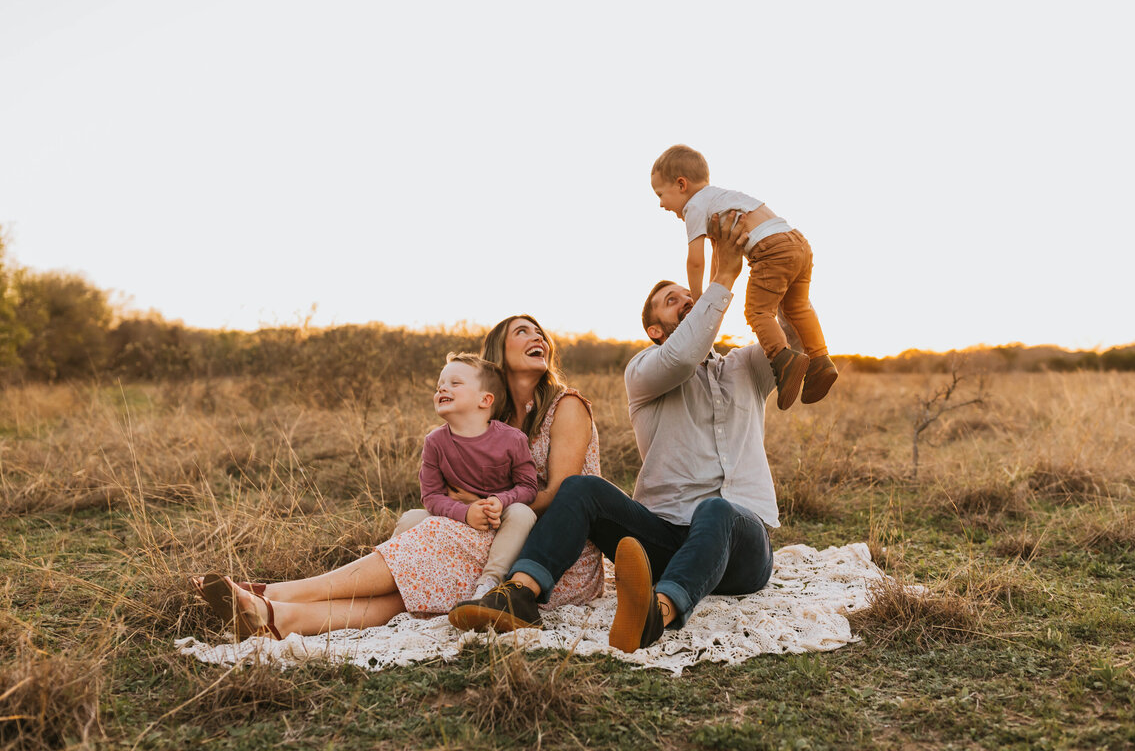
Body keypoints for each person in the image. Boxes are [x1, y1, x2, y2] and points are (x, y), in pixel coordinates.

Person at [448, 213, 799, 652]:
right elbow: (684, 354)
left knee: (717, 510)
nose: (689, 301)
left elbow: (795, 335)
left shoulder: (745, 366)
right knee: (581, 489)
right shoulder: (647, 370)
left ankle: (656, 614)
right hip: (665, 536)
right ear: (655, 330)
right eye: (674, 301)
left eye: (691, 296)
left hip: (740, 544)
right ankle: (518, 595)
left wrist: (774, 260)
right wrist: (722, 277)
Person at [191, 316, 604, 640]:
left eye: (540, 331)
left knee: (435, 540)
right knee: (408, 579)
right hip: (496, 531)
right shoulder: (493, 419)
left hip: (550, 556)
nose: (539, 336)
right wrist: (466, 507)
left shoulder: (565, 406)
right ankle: (276, 618)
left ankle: (275, 592)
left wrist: (479, 506)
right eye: (522, 330)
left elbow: (562, 494)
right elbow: (444, 491)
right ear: (499, 351)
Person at [650, 143, 837, 408]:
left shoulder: (694, 206)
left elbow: (696, 261)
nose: (660, 204)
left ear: (682, 184)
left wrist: (700, 301)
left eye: (660, 194)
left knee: (758, 312)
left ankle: (784, 360)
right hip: (798, 242)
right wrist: (715, 287)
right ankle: (821, 361)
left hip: (770, 250)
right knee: (797, 306)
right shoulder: (722, 198)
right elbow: (718, 257)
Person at [398, 352, 539, 600]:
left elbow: (528, 486)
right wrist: (464, 512)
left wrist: (501, 501)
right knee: (410, 518)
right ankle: (398, 577)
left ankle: (490, 582)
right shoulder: (435, 442)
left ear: (485, 400)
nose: (442, 388)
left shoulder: (512, 439)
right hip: (458, 517)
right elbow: (430, 495)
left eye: (455, 383)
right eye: (440, 385)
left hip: (498, 519)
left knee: (522, 513)